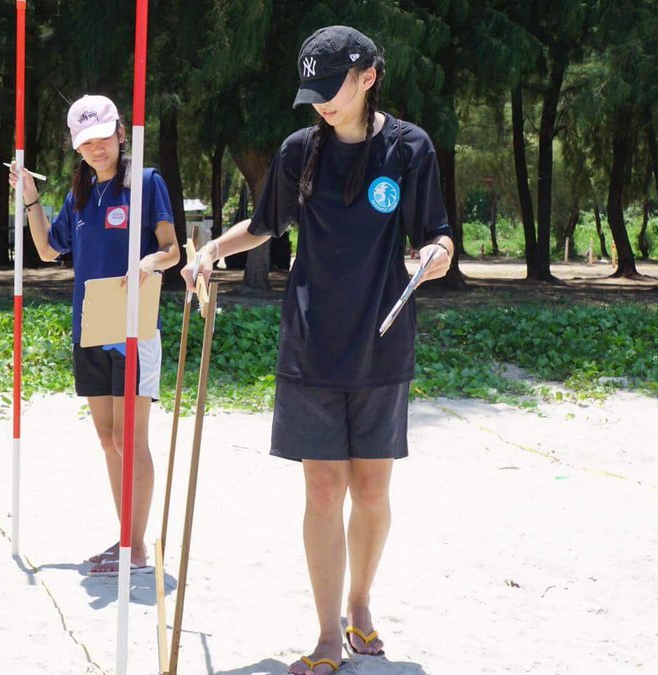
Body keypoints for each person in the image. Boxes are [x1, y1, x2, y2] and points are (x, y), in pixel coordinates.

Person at [182, 26, 453, 674]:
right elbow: (267, 222)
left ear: (369, 77)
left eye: (333, 91)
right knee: (325, 487)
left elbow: (436, 234)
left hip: (382, 341)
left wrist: (437, 255)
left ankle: (361, 603)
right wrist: (211, 250)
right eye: (315, 94)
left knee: (372, 488)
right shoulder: (300, 150)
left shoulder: (409, 149)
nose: (323, 105)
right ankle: (328, 633)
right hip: (311, 342)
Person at [9, 94, 180, 576]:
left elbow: (170, 250)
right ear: (76, 146)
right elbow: (46, 249)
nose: (97, 147)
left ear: (121, 133)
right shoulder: (79, 196)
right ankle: (124, 538)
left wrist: (149, 261)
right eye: (86, 142)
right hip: (90, 326)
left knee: (131, 438)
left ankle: (137, 548)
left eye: (103, 137)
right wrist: (29, 196)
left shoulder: (146, 183)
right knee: (108, 438)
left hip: (135, 327)